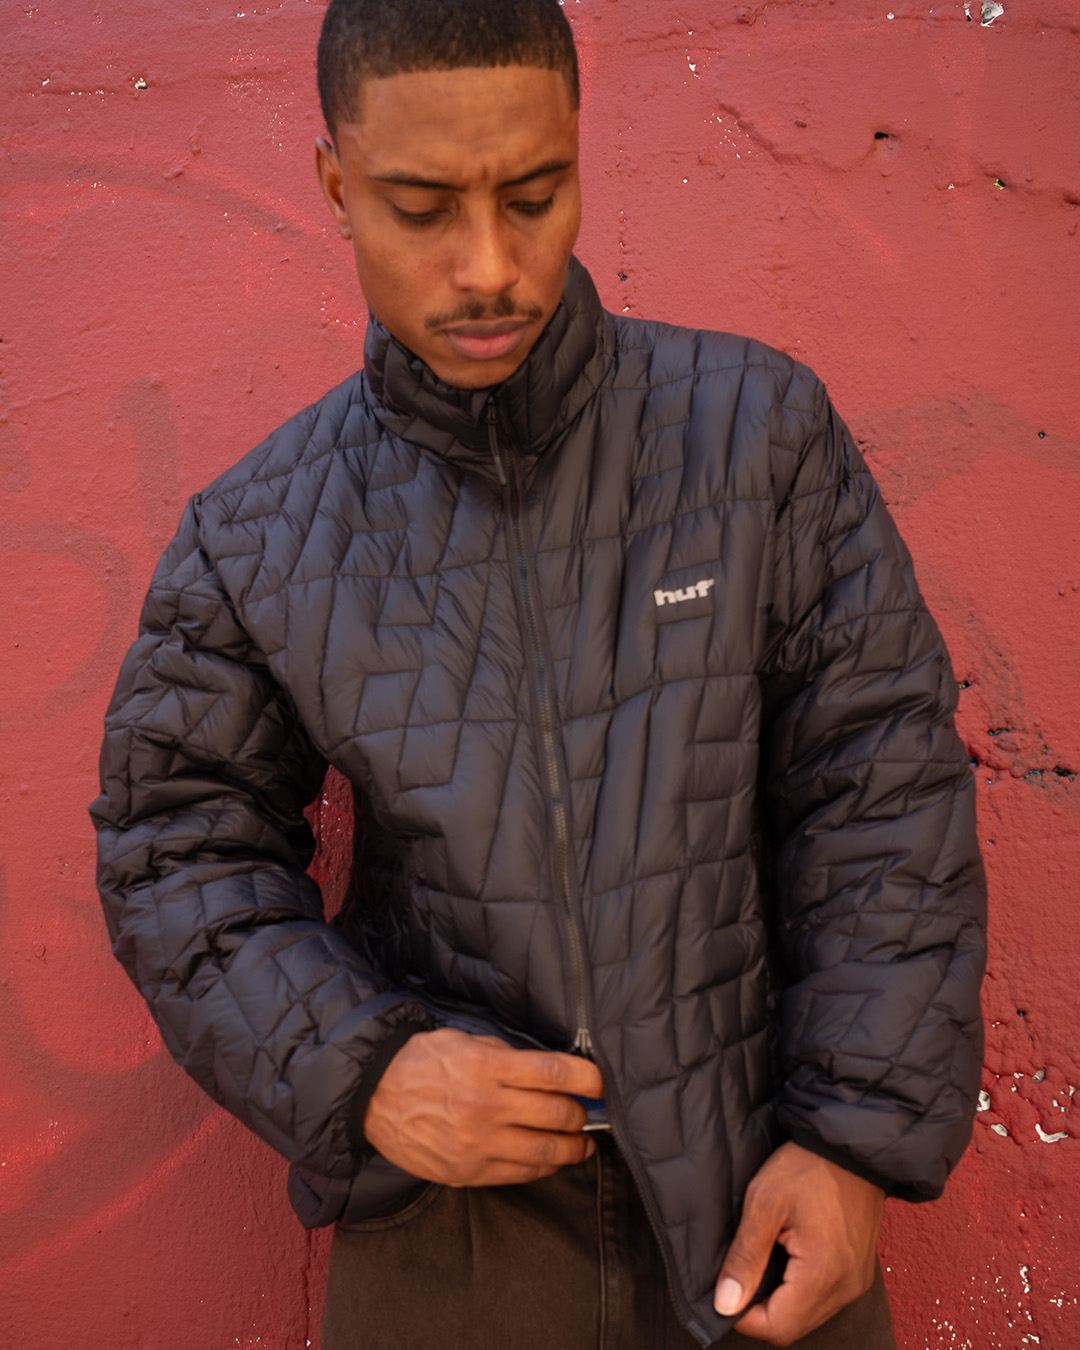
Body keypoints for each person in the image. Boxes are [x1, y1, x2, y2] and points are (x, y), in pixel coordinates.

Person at [90, 1, 987, 1346]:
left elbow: (880, 789)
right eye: (421, 208)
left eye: (533, 195)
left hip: (763, 1220)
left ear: (578, 150)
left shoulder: (759, 436)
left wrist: (852, 1144)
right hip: (446, 1255)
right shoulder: (258, 532)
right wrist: (365, 1070)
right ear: (336, 184)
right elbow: (172, 846)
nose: (490, 267)